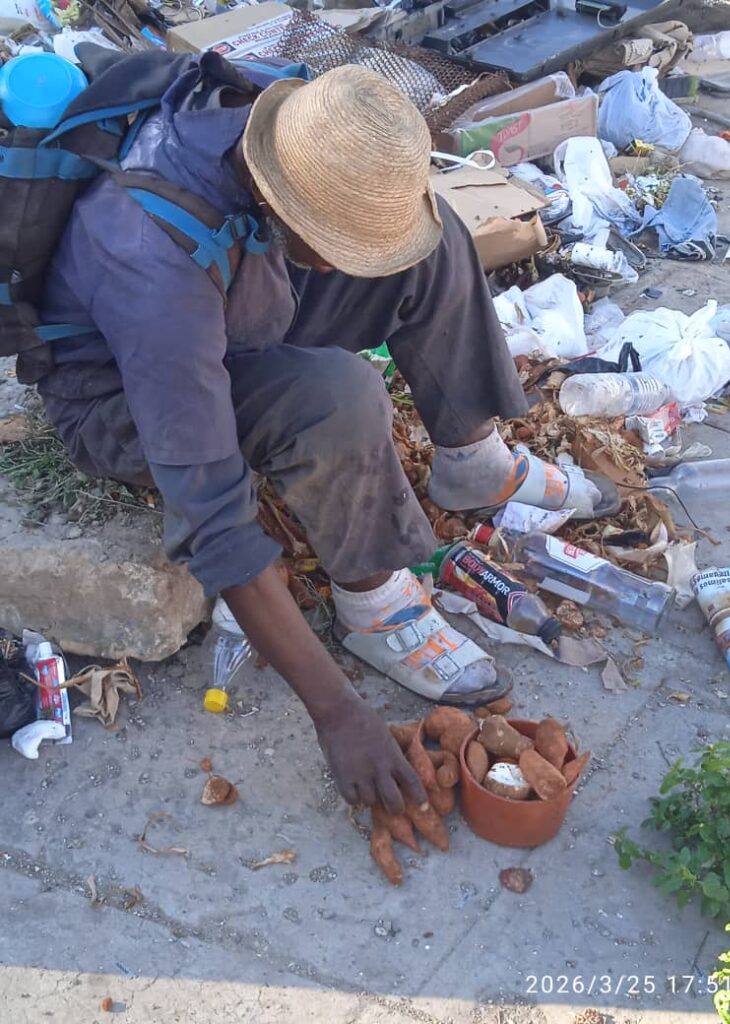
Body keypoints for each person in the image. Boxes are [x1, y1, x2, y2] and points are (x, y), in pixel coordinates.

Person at [38, 61, 610, 815]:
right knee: (336, 396)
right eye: (344, 242)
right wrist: (338, 713)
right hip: (119, 395)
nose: (355, 262)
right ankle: (374, 605)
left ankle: (473, 462)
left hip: (241, 295)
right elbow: (211, 515)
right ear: (287, 205)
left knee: (430, 242)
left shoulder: (276, 128)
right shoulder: (151, 262)